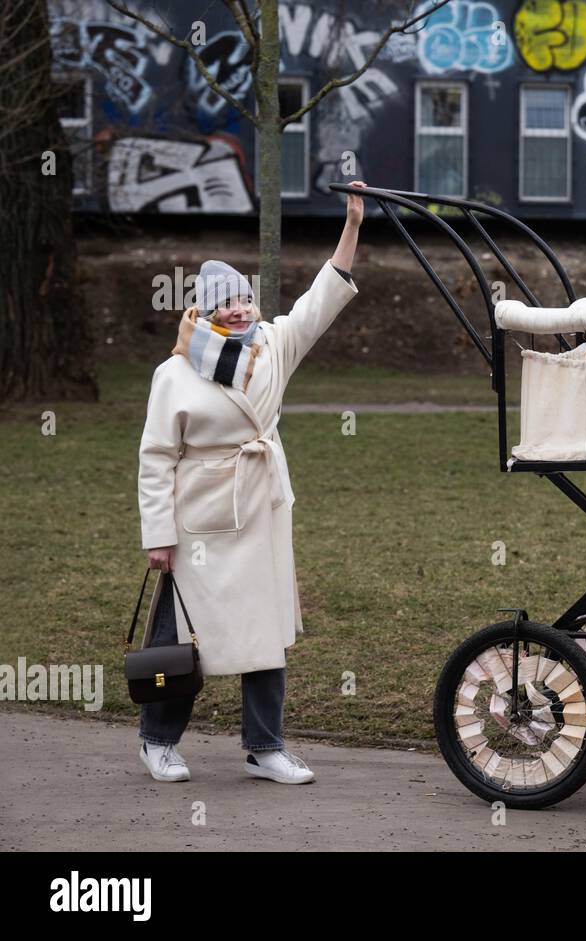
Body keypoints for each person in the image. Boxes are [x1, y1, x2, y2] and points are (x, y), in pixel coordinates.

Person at [135, 182, 367, 784]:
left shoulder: (273, 345)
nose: (239, 310)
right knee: (180, 633)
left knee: (264, 632)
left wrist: (351, 225)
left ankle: (266, 747)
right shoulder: (174, 373)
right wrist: (158, 535)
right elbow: (156, 456)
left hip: (260, 508)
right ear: (204, 312)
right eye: (227, 303)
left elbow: (321, 300)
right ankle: (157, 740)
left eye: (244, 298)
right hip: (199, 519)